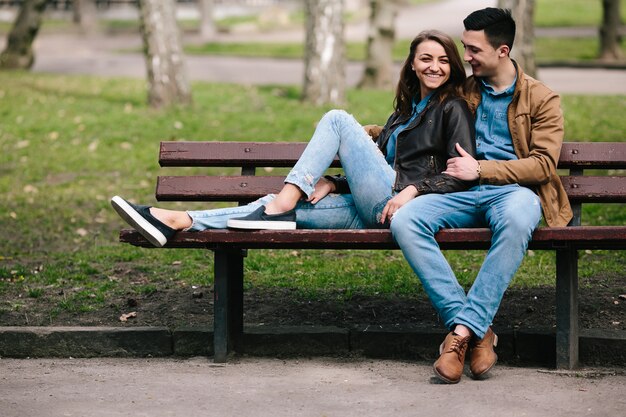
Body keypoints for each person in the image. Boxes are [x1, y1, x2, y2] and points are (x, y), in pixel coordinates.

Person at [111, 30, 476, 248]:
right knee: (269, 212)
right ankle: (179, 220)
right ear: (412, 63)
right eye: (426, 58)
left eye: (444, 60)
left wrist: (413, 192)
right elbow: (381, 170)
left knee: (336, 119)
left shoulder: (452, 108)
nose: (435, 66)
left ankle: (285, 198)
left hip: (403, 210)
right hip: (372, 209)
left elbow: (461, 174)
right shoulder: (404, 112)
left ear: (452, 66)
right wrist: (334, 184)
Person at [390, 8, 573, 384]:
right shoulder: (463, 90)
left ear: (502, 51)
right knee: (406, 219)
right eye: (465, 47)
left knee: (521, 217)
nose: (466, 57)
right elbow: (418, 120)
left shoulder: (542, 99)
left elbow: (543, 165)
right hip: (458, 191)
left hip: (512, 192)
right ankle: (477, 330)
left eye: (473, 50)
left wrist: (483, 170)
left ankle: (459, 336)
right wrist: (365, 133)